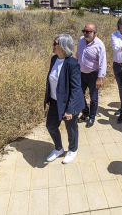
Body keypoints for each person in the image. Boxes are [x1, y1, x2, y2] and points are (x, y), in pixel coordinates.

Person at [44, 34, 85, 164]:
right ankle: (58, 148)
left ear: (63, 46)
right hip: (55, 101)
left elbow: (76, 88)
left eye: (55, 43)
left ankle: (72, 150)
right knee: (50, 125)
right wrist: (49, 97)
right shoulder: (54, 59)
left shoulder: (72, 64)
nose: (53, 45)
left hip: (69, 103)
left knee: (71, 129)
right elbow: (51, 80)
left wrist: (70, 109)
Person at [76, 23, 106, 128]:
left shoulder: (99, 45)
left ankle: (92, 117)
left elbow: (103, 63)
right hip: (81, 74)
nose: (85, 33)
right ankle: (85, 113)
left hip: (93, 75)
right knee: (79, 95)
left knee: (93, 98)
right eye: (84, 31)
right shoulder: (81, 40)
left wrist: (100, 78)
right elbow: (78, 55)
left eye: (87, 31)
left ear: (94, 33)